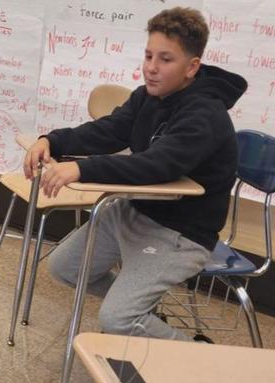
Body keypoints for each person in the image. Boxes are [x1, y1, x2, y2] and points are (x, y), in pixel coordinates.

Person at [23, 7, 247, 341]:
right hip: (135, 211)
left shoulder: (205, 114)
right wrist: (51, 141)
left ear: (192, 67)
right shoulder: (148, 97)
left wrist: (82, 167)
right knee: (65, 269)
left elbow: (157, 164)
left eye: (165, 59)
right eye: (148, 55)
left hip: (180, 233)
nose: (151, 68)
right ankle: (141, 315)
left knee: (116, 320)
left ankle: (199, 355)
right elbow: (109, 130)